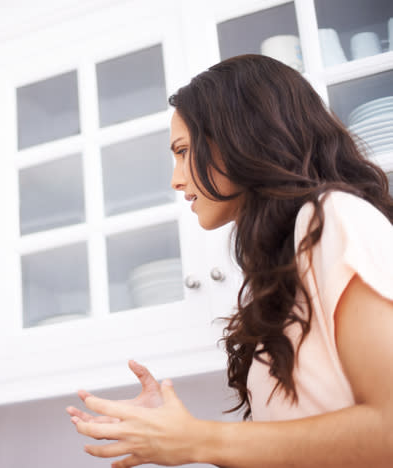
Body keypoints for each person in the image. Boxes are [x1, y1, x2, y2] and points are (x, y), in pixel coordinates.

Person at [66, 54, 393, 467]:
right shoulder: (285, 259)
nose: (176, 179)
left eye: (183, 151)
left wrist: (197, 440)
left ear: (242, 137)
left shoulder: (332, 217)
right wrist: (174, 432)